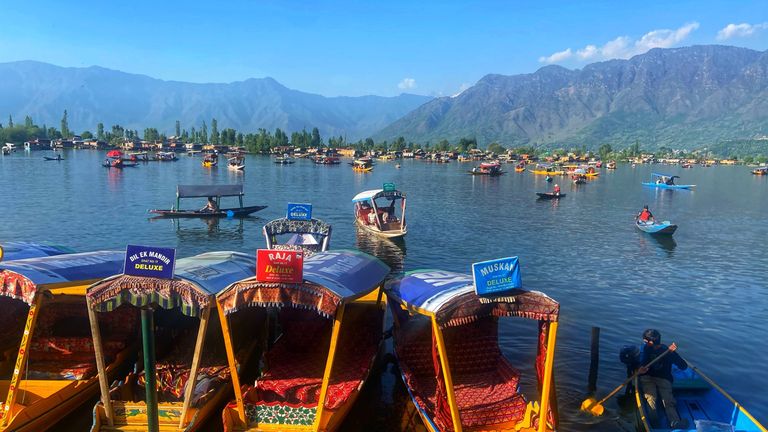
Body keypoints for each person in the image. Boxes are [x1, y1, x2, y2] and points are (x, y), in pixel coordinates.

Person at [637, 329, 688, 429]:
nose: (644, 343)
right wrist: (640, 369)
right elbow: (684, 367)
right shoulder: (653, 349)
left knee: (663, 399)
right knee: (658, 399)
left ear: (650, 342)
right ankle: (660, 422)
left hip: (661, 378)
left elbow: (683, 366)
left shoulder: (665, 351)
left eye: (645, 341)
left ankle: (666, 423)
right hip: (649, 377)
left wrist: (672, 354)